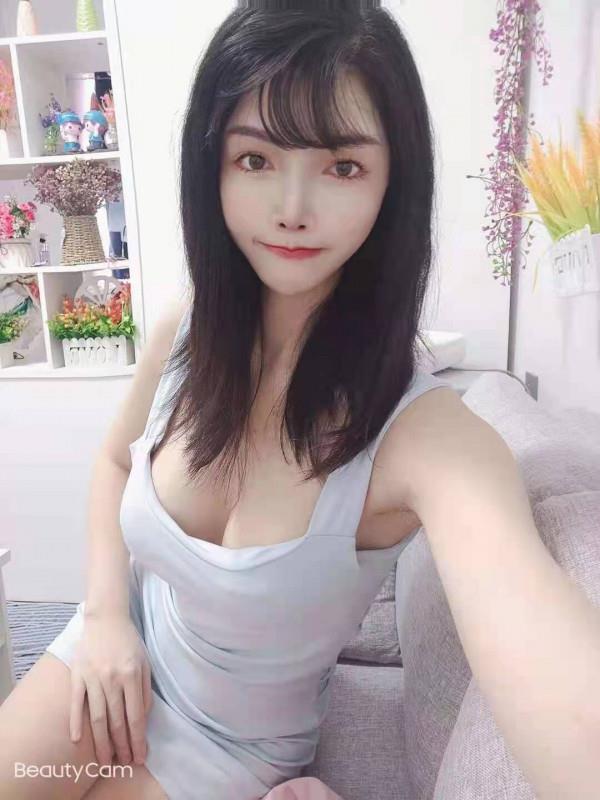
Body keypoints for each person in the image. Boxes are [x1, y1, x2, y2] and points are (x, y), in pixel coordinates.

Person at [2, 2, 600, 799]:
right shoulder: (188, 332)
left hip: (229, 749)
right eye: (255, 159)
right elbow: (116, 462)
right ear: (212, 164)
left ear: (393, 182)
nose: (291, 206)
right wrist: (107, 615)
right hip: (114, 650)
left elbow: (570, 711)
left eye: (342, 166)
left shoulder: (424, 438)